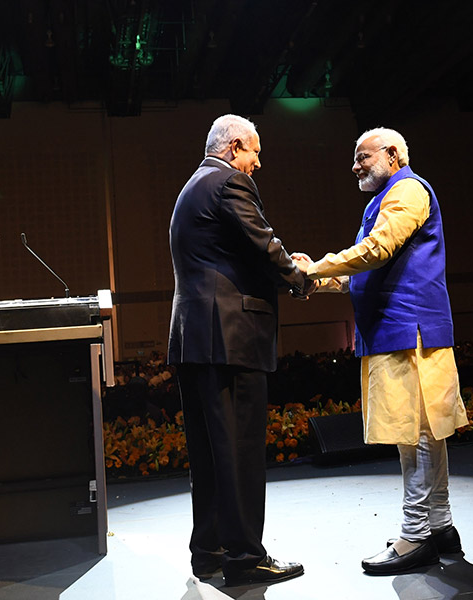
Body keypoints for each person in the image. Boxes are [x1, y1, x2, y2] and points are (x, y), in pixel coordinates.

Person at [293, 127, 469, 574]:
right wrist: (319, 277)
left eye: (363, 157)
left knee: (419, 435)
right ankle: (441, 527)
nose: (355, 166)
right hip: (399, 331)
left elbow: (377, 249)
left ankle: (415, 536)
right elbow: (367, 272)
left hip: (411, 332)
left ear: (392, 154)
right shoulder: (387, 198)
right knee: (423, 433)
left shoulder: (407, 190)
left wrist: (318, 266)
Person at [168, 114, 310, 586]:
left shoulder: (193, 186)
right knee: (241, 451)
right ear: (232, 148)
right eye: (254, 152)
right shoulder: (229, 182)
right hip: (230, 337)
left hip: (195, 339)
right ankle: (246, 559)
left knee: (210, 454)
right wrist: (299, 277)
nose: (257, 163)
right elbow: (263, 245)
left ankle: (208, 554)